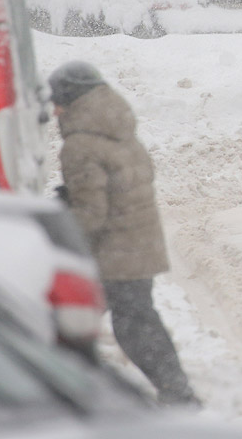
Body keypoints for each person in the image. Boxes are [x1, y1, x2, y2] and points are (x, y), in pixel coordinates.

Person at [48, 60, 200, 408]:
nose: (53, 110)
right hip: (137, 245)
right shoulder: (119, 129)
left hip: (113, 253)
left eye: (56, 100)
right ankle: (174, 393)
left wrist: (58, 228)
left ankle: (55, 395)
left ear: (71, 99)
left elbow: (92, 214)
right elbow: (123, 184)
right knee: (111, 323)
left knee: (88, 326)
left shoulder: (81, 144)